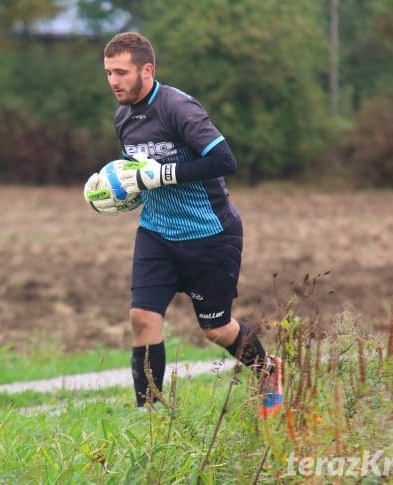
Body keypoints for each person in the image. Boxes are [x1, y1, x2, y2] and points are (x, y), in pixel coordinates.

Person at [84, 32, 283, 418]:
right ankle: (151, 415)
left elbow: (225, 161)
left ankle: (268, 371)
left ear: (147, 70)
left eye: (121, 72)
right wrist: (123, 193)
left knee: (217, 329)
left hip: (210, 235)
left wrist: (162, 176)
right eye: (108, 73)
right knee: (142, 319)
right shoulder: (123, 117)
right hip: (157, 234)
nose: (113, 82)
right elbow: (141, 174)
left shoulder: (180, 109)